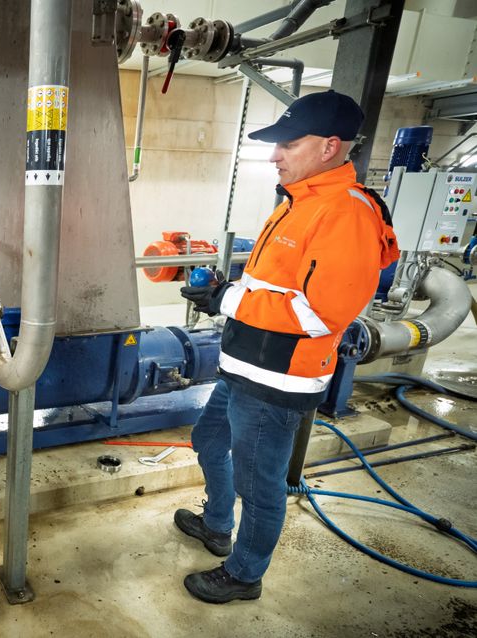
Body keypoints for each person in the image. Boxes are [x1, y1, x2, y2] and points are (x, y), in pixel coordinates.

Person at [176, 90, 399, 603]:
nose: (275, 155)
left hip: (280, 377)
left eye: (288, 144)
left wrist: (225, 300)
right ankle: (216, 524)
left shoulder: (346, 215)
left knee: (260, 484)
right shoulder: (301, 201)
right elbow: (276, 285)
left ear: (329, 147)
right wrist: (225, 294)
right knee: (208, 440)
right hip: (246, 364)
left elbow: (321, 314)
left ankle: (244, 574)